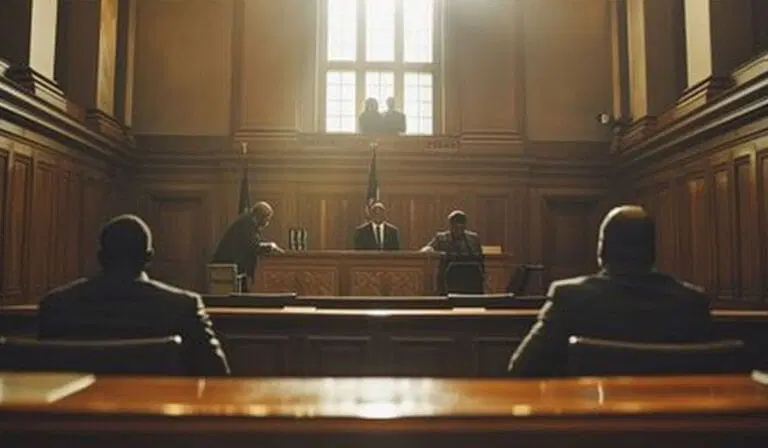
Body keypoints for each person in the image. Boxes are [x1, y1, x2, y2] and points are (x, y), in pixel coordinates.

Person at [508, 205, 714, 377]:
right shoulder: (692, 302)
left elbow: (522, 369)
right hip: (673, 422)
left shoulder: (570, 298)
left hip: (588, 421)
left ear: (602, 250)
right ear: (652, 250)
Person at [38, 214, 230, 376]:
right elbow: (217, 376)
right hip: (158, 417)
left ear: (100, 256)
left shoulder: (56, 305)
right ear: (149, 258)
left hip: (73, 418)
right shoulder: (183, 307)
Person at [211, 201, 283, 292]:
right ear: (260, 216)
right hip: (226, 265)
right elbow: (254, 246)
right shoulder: (246, 223)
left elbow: (257, 241)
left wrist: (269, 246)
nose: (267, 222)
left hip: (233, 265)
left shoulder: (249, 222)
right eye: (267, 219)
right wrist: (270, 246)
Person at [421, 210, 485, 294]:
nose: (458, 228)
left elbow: (480, 259)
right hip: (448, 277)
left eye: (461, 224)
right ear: (450, 225)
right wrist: (428, 249)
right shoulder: (441, 238)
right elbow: (427, 248)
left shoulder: (473, 239)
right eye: (455, 225)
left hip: (470, 277)